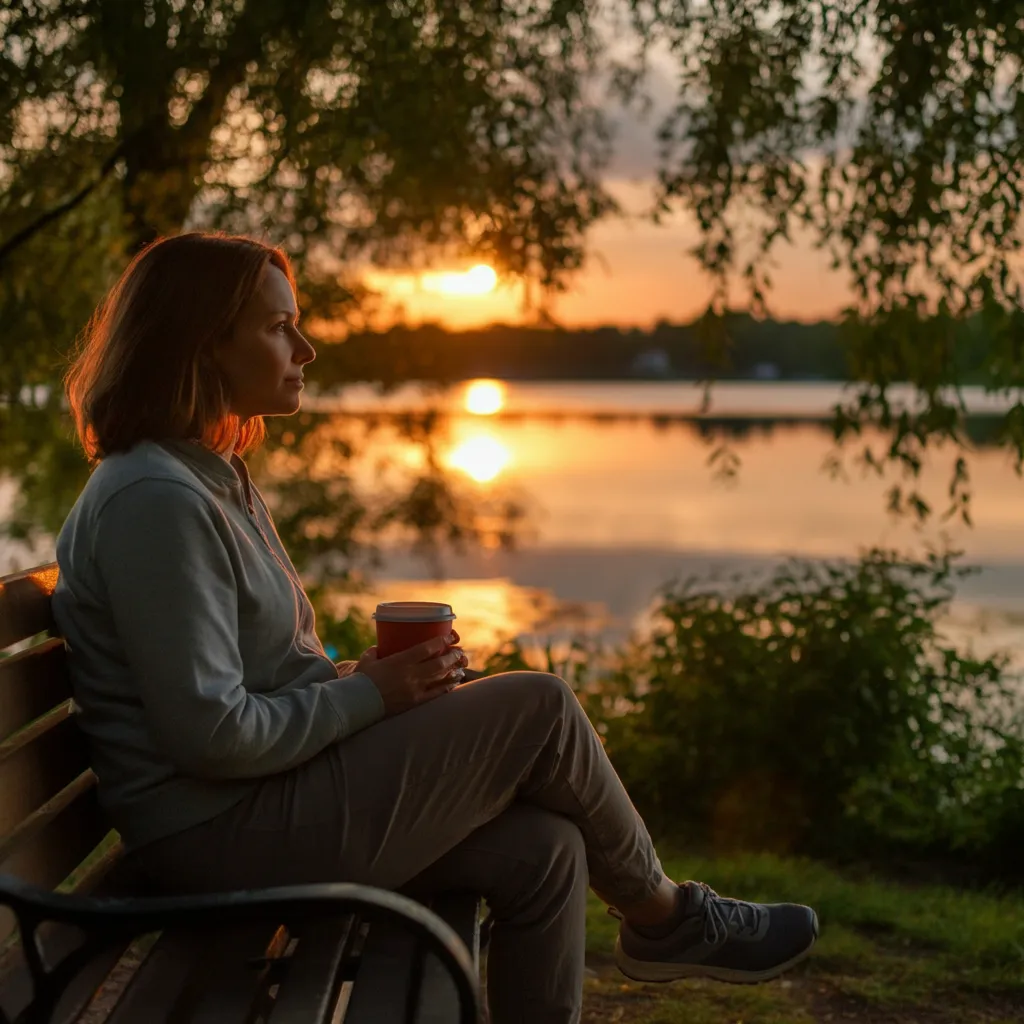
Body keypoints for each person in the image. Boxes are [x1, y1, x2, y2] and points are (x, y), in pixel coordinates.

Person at [52, 232, 818, 1024]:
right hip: (213, 844)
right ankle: (666, 918)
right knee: (539, 706)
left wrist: (367, 683)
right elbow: (212, 734)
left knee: (548, 851)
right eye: (279, 326)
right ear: (203, 340)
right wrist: (374, 698)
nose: (305, 349)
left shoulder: (207, 481)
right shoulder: (157, 502)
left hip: (254, 811)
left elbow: (244, 688)